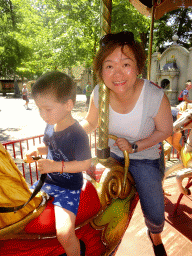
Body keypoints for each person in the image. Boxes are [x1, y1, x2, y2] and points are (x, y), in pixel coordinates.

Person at [80, 31, 173, 256]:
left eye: (126, 64)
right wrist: (64, 135)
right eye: (109, 66)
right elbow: (90, 123)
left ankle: (156, 236)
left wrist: (135, 146)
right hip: (111, 155)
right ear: (101, 71)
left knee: (153, 201)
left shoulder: (153, 95)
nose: (117, 73)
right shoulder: (99, 93)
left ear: (138, 66)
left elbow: (166, 130)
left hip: (144, 156)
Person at [26, 71, 92, 256]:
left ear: (68, 105)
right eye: (39, 109)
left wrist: (56, 167)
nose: (42, 114)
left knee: (64, 232)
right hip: (48, 182)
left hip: (68, 188)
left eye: (47, 109)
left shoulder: (77, 133)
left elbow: (85, 163)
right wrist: (36, 152)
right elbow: (48, 146)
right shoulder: (50, 124)